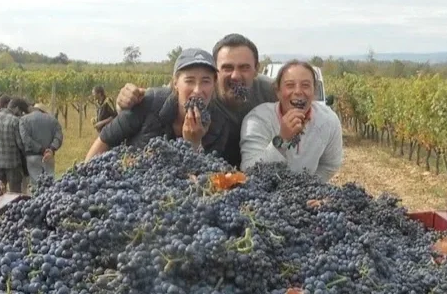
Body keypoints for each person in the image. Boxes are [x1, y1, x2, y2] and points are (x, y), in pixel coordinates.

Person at [115, 33, 276, 167]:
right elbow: (164, 94)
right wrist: (124, 102)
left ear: (256, 69)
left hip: (254, 163)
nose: (235, 75)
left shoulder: (270, 90)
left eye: (244, 67)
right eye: (227, 67)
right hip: (217, 160)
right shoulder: (203, 93)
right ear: (215, 72)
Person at [84, 48, 228, 162]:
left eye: (206, 81)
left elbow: (201, 182)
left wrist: (194, 145)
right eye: (189, 81)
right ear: (176, 83)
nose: (197, 90)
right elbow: (105, 139)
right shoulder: (148, 102)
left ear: (214, 85)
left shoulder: (219, 124)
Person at [240, 60, 343, 182]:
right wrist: (282, 140)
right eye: (290, 85)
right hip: (265, 195)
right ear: (278, 92)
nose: (298, 91)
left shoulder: (329, 120)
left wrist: (307, 188)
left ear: (314, 92)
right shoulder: (258, 119)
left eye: (305, 85)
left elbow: (329, 165)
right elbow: (249, 170)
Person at [0, 97, 29, 201]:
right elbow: (20, 144)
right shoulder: (15, 121)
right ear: (16, 109)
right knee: (15, 194)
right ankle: (13, 214)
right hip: (13, 164)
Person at [19, 102, 63, 189]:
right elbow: (59, 137)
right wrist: (50, 149)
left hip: (32, 156)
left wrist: (41, 149)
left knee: (36, 184)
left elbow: (25, 139)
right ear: (44, 111)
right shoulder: (53, 120)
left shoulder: (24, 120)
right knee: (50, 183)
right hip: (49, 156)